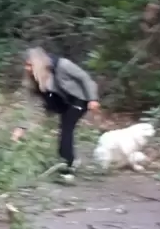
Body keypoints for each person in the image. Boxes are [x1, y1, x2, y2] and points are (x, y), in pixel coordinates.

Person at [13, 47, 100, 182]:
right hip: (61, 103)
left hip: (78, 99)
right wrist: (21, 127)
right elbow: (30, 106)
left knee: (66, 129)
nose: (27, 68)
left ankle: (68, 167)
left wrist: (93, 99)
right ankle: (67, 160)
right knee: (63, 129)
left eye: (30, 65)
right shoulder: (33, 81)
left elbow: (84, 78)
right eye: (26, 65)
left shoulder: (62, 65)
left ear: (39, 62)